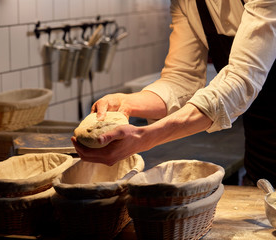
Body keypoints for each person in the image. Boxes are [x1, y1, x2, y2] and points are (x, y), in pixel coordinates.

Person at [71, 0, 276, 186]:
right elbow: (182, 79)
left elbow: (241, 81)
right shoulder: (187, 3)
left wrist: (145, 138)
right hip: (261, 161)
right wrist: (128, 102)